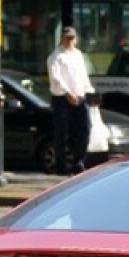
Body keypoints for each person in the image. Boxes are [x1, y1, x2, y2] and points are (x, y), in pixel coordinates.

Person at [46, 25, 94, 175]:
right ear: (62, 39)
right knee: (62, 134)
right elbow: (55, 78)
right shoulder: (55, 56)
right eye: (67, 38)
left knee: (85, 129)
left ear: (76, 40)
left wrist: (90, 92)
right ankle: (61, 167)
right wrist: (68, 93)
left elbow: (83, 77)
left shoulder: (78, 55)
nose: (69, 41)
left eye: (72, 38)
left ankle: (78, 162)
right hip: (62, 99)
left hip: (80, 98)